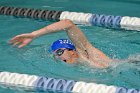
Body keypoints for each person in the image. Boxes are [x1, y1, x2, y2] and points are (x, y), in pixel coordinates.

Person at [9, 19, 111, 68]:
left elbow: (67, 23)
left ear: (72, 51)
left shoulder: (85, 52)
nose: (57, 57)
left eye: (59, 52)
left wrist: (33, 34)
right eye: (55, 55)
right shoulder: (81, 66)